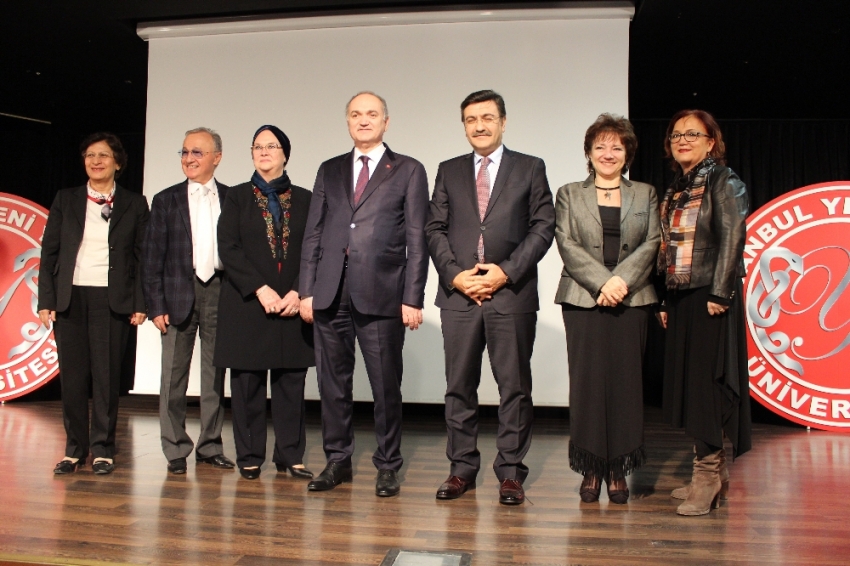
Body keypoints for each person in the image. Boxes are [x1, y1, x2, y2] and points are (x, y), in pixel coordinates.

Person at [425, 90, 555, 505]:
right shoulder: (447, 170)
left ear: (503, 121)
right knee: (458, 388)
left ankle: (511, 473)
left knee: (513, 389)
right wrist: (455, 276)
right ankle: (461, 469)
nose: (478, 126)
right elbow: (434, 229)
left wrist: (505, 272)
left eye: (486, 117)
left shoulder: (530, 168)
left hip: (511, 295)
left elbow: (543, 226)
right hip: (459, 297)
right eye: (470, 119)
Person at [299, 92, 429, 497]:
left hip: (383, 295)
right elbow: (314, 233)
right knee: (332, 385)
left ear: (386, 122)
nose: (364, 120)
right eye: (356, 114)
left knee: (385, 386)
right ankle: (338, 460)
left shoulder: (408, 169)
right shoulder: (330, 169)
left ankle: (388, 465)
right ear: (348, 122)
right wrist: (306, 290)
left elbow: (417, 238)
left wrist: (413, 296)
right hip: (329, 293)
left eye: (372, 114)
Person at [554, 114, 660, 504]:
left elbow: (652, 242)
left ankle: (618, 469)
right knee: (587, 386)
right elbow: (566, 243)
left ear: (627, 152)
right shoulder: (569, 193)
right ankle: (591, 468)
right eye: (600, 146)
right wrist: (603, 282)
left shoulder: (645, 193)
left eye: (616, 146)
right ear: (588, 152)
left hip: (632, 300)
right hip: (583, 300)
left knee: (626, 386)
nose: (608, 153)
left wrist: (621, 283)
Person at [656, 109, 751, 516]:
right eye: (677, 134)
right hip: (682, 296)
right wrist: (664, 298)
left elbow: (733, 235)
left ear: (711, 141)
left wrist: (721, 292)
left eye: (693, 134)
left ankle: (707, 475)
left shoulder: (723, 180)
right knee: (692, 385)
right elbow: (667, 248)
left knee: (707, 386)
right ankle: (715, 473)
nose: (683, 140)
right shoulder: (679, 186)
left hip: (711, 296)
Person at [38, 132, 149, 475]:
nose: (95, 161)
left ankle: (103, 449)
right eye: (90, 155)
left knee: (106, 377)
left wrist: (140, 302)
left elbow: (142, 256)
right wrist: (47, 300)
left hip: (111, 298)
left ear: (118, 162)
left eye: (103, 155)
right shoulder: (66, 199)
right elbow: (50, 252)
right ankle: (74, 450)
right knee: (72, 379)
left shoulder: (134, 203)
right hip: (71, 296)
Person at [214, 125, 315, 480]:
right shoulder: (237, 196)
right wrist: (260, 288)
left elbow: (314, 249)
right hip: (247, 303)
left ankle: (291, 455)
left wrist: (299, 290)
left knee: (291, 384)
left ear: (285, 153)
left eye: (271, 146)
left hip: (291, 303)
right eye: (258, 146)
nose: (264, 151)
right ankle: (250, 456)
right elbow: (228, 247)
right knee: (246, 386)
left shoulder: (306, 198)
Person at [142, 127, 235, 475]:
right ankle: (176, 449)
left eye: (197, 152)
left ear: (217, 157)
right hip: (178, 295)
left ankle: (210, 446)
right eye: (184, 152)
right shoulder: (165, 200)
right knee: (173, 377)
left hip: (220, 292)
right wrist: (156, 305)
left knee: (214, 376)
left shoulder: (232, 197)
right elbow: (152, 258)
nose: (189, 159)